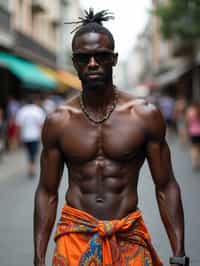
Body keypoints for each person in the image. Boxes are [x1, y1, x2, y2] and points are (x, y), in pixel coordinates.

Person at [34, 9, 189, 266]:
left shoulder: (144, 115)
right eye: (84, 57)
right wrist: (39, 258)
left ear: (114, 59)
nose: (93, 63)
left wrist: (179, 253)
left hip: (128, 236)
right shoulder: (58, 121)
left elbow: (166, 186)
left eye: (101, 56)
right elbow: (46, 192)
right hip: (75, 237)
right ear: (75, 62)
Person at [16, 95, 46, 177]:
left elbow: (18, 125)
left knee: (29, 152)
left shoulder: (22, 111)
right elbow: (42, 125)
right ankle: (32, 168)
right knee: (34, 152)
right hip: (35, 136)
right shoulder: (38, 110)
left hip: (25, 136)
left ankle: (30, 167)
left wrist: (18, 137)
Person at [185, 102, 200, 170]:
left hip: (193, 132)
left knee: (194, 148)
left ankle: (195, 162)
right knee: (198, 148)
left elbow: (187, 121)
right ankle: (198, 161)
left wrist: (187, 130)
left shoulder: (190, 111)